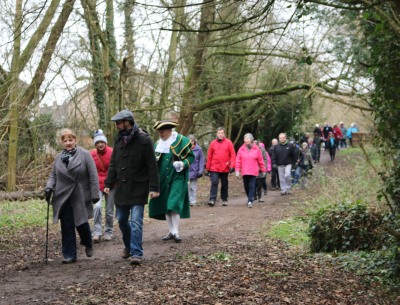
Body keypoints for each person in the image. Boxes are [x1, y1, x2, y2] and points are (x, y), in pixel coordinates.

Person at [104, 110, 160, 266]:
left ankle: (136, 253)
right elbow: (114, 163)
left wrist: (154, 187)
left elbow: (152, 166)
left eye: (118, 123)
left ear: (127, 122)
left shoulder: (144, 139)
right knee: (121, 220)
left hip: (138, 187)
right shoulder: (118, 140)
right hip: (121, 188)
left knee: (136, 221)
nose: (116, 126)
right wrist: (108, 183)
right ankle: (129, 246)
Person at [45, 129, 99, 264]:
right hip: (63, 196)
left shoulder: (85, 155)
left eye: (70, 140)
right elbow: (53, 175)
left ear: (75, 141)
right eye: (65, 141)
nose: (68, 143)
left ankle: (88, 242)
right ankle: (69, 254)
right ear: (62, 143)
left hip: (79, 194)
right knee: (67, 225)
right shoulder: (58, 157)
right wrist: (48, 187)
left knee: (81, 223)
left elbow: (93, 175)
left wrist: (95, 194)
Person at [149, 120, 195, 242]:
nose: (160, 134)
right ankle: (171, 231)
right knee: (165, 204)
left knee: (173, 203)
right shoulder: (157, 145)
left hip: (177, 177)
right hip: (163, 178)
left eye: (162, 131)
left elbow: (191, 157)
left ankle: (176, 231)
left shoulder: (181, 141)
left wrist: (183, 163)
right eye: (159, 131)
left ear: (170, 130)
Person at [90, 129, 115, 242]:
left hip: (111, 185)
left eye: (102, 142)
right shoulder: (91, 154)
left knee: (109, 210)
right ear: (95, 144)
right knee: (97, 207)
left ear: (105, 142)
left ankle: (108, 231)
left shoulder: (112, 152)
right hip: (97, 185)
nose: (100, 144)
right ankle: (97, 231)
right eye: (97, 142)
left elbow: (116, 169)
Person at [205, 127, 236, 207]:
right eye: (219, 133)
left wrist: (232, 165)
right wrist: (208, 168)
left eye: (222, 133)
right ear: (216, 134)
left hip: (225, 167)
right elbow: (209, 156)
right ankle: (212, 199)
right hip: (214, 167)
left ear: (224, 134)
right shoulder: (213, 143)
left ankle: (224, 199)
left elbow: (233, 155)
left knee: (224, 184)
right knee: (214, 182)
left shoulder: (229, 143)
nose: (220, 134)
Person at [235, 133, 266, 208]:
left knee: (252, 186)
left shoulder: (256, 149)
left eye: (247, 138)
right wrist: (237, 170)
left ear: (251, 140)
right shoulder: (241, 149)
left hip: (253, 171)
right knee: (246, 186)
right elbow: (238, 160)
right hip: (245, 171)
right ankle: (250, 197)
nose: (246, 140)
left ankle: (250, 200)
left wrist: (263, 170)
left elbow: (261, 160)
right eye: (245, 139)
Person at [188, 134, 205, 206]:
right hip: (187, 171)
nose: (191, 143)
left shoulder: (199, 149)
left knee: (193, 187)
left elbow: (201, 161)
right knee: (187, 187)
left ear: (194, 141)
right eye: (189, 141)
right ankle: (187, 201)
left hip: (195, 171)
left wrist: (200, 171)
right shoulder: (185, 149)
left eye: (192, 141)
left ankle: (193, 201)